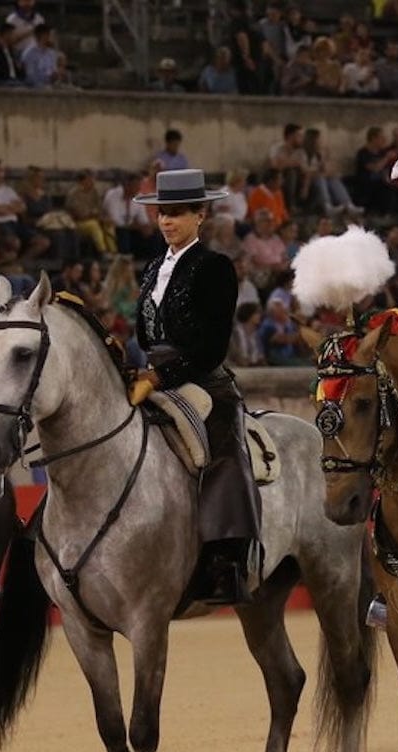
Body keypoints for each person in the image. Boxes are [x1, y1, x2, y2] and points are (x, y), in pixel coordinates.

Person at [132, 168, 259, 606]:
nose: (166, 221)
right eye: (162, 213)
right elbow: (146, 335)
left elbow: (212, 346)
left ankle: (228, 559)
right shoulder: (152, 268)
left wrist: (162, 376)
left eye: (176, 213)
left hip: (204, 379)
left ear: (199, 215)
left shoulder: (215, 267)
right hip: (153, 374)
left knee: (222, 452)